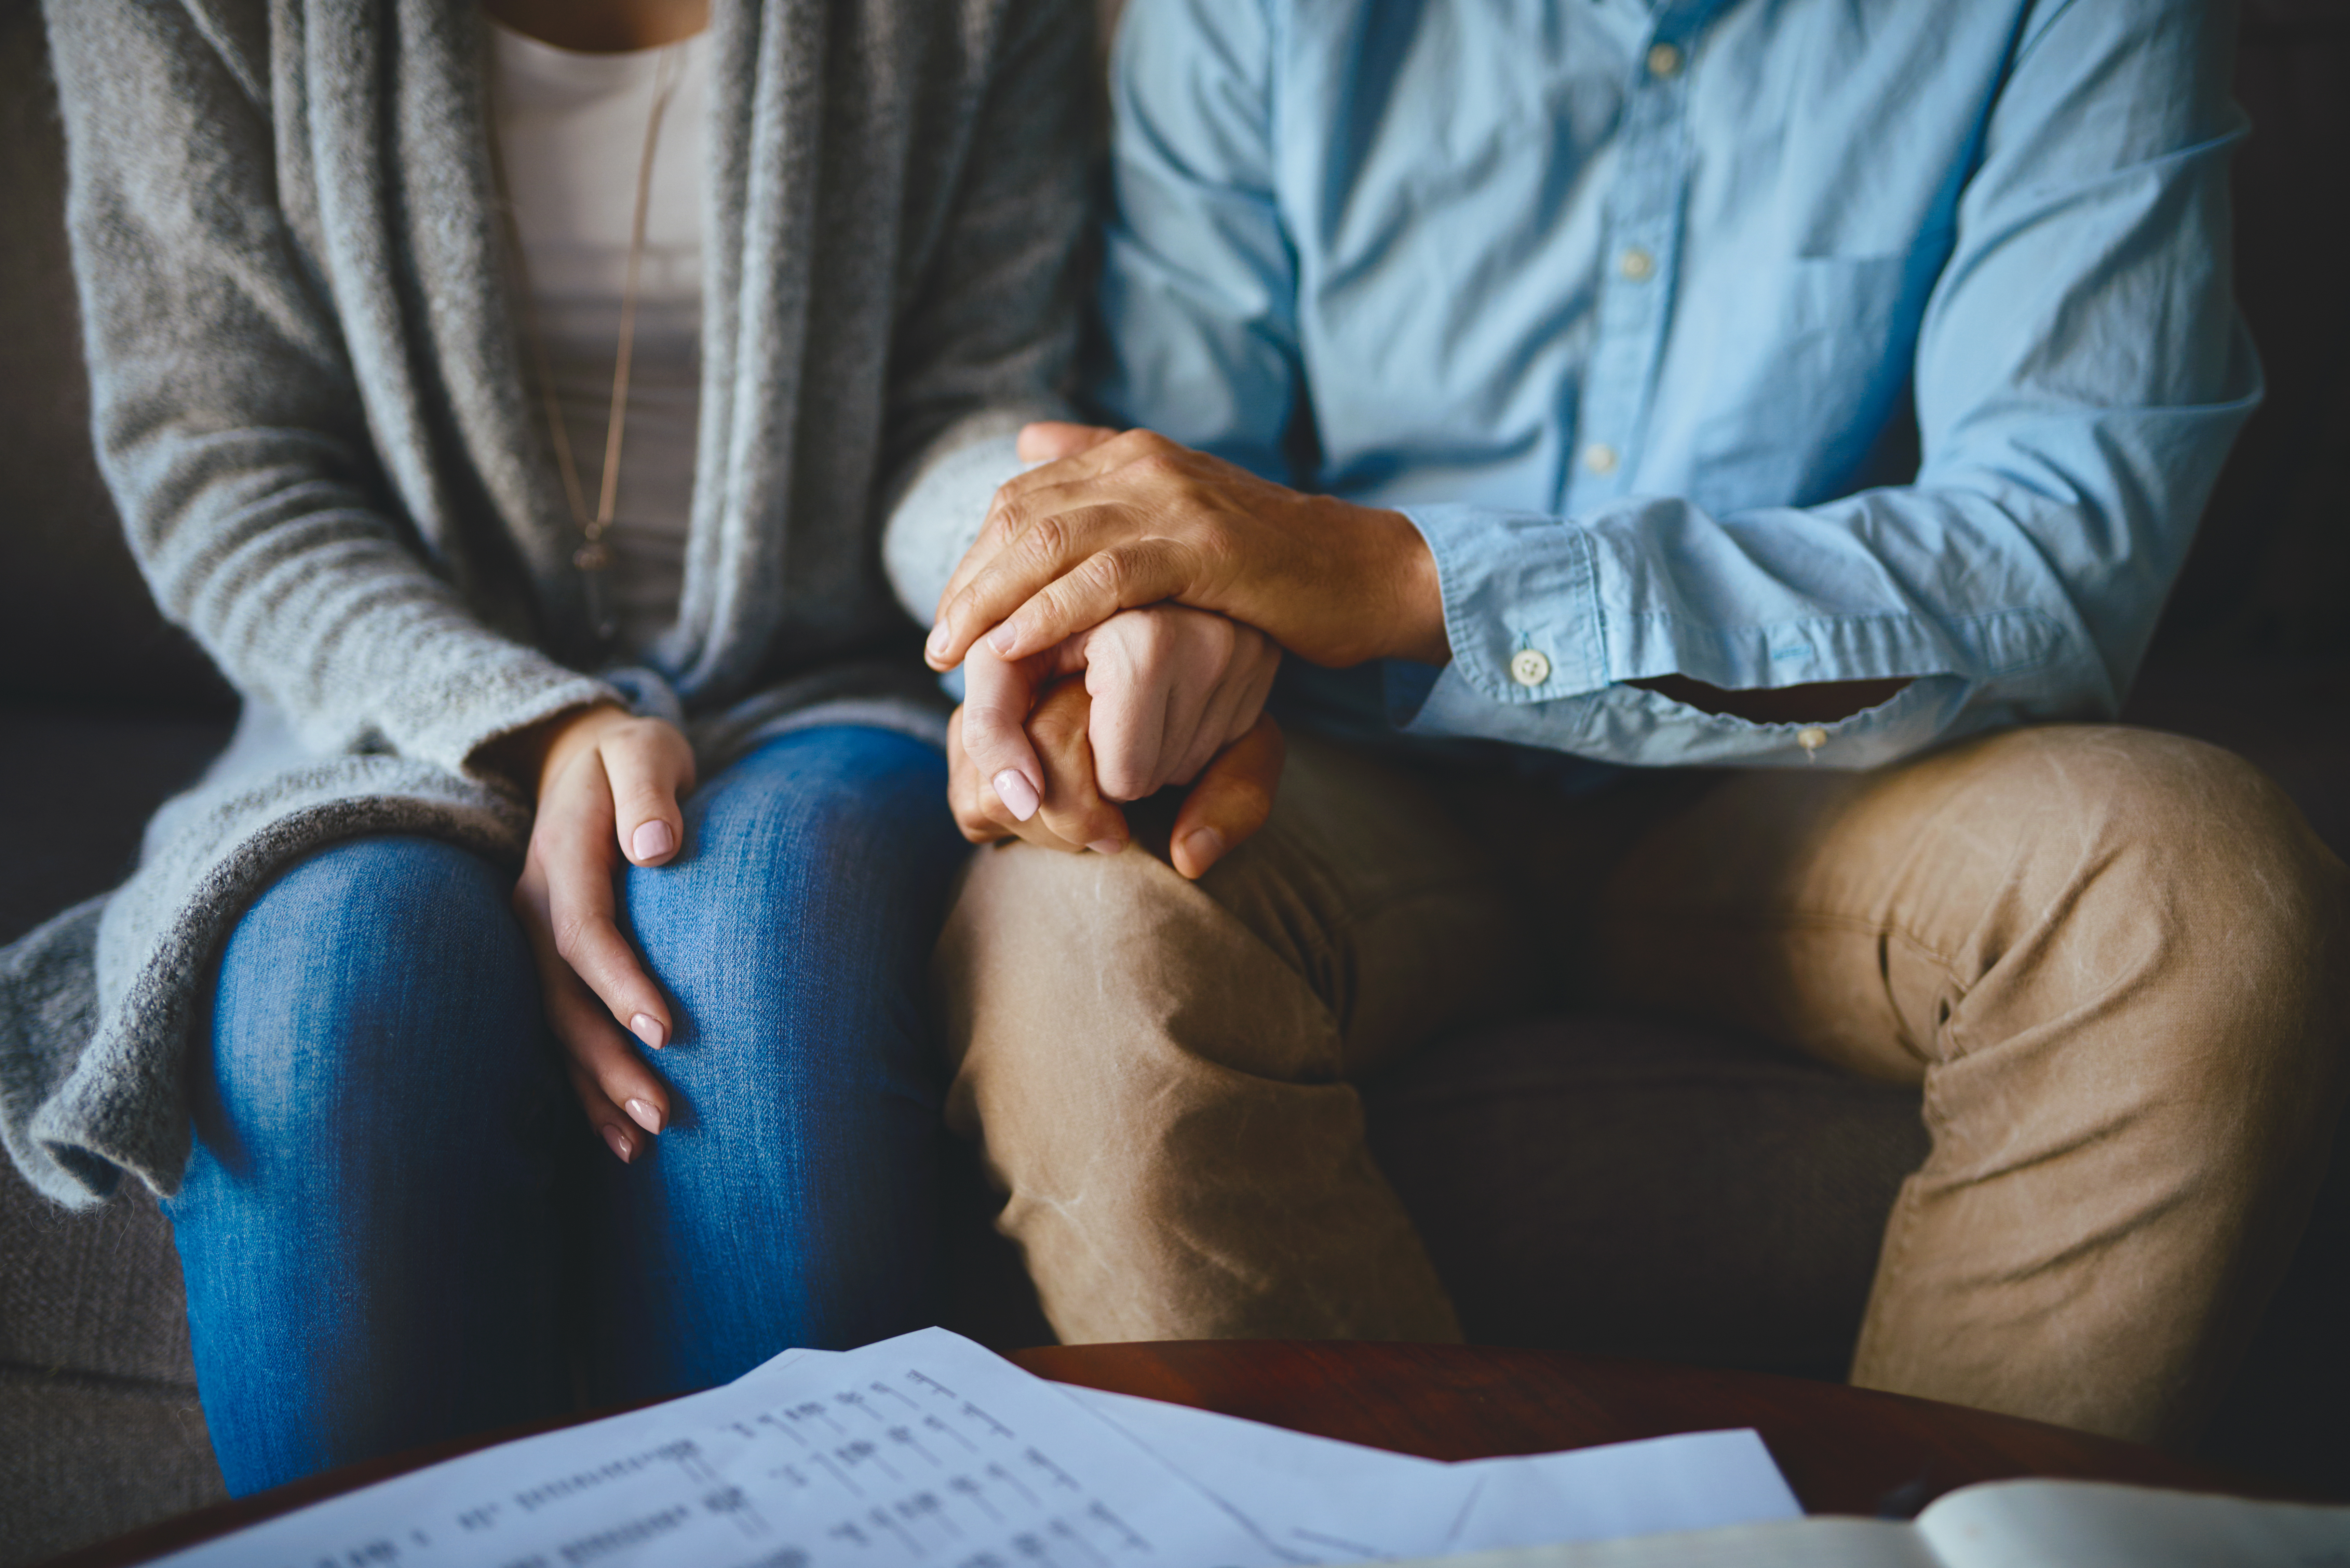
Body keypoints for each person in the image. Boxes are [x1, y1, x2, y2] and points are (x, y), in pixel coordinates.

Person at [910, 0, 2350, 1447]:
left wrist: (1407, 579)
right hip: (1349, 777)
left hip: (1827, 781)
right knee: (1074, 932)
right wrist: (1139, 642)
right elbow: (1172, 474)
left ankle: (1913, 1541)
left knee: (2193, 892)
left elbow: (2052, 561)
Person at [4, 0, 1088, 1493]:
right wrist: (531, 725)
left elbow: (967, 404)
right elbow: (220, 463)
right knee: (336, 985)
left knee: (762, 943)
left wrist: (1033, 555)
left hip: (817, 677)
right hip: (387, 695)